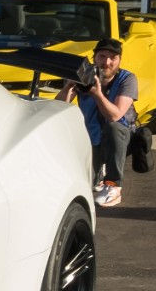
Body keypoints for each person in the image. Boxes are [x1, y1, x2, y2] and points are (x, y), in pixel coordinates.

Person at [56, 37, 137, 208]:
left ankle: (114, 186)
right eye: (102, 56)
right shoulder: (84, 76)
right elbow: (59, 105)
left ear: (119, 60)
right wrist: (70, 85)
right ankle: (99, 172)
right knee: (85, 183)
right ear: (94, 57)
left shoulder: (127, 79)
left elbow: (115, 116)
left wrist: (97, 93)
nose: (107, 62)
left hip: (122, 139)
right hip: (92, 137)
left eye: (112, 58)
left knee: (114, 127)